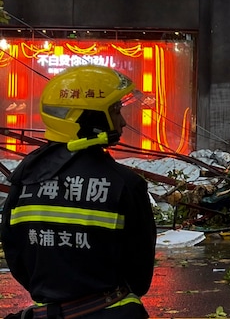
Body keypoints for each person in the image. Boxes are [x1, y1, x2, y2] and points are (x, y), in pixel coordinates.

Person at [1, 65, 157, 319]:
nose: (123, 121)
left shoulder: (24, 178)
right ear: (90, 117)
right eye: (116, 110)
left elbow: (16, 254)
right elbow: (139, 276)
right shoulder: (125, 184)